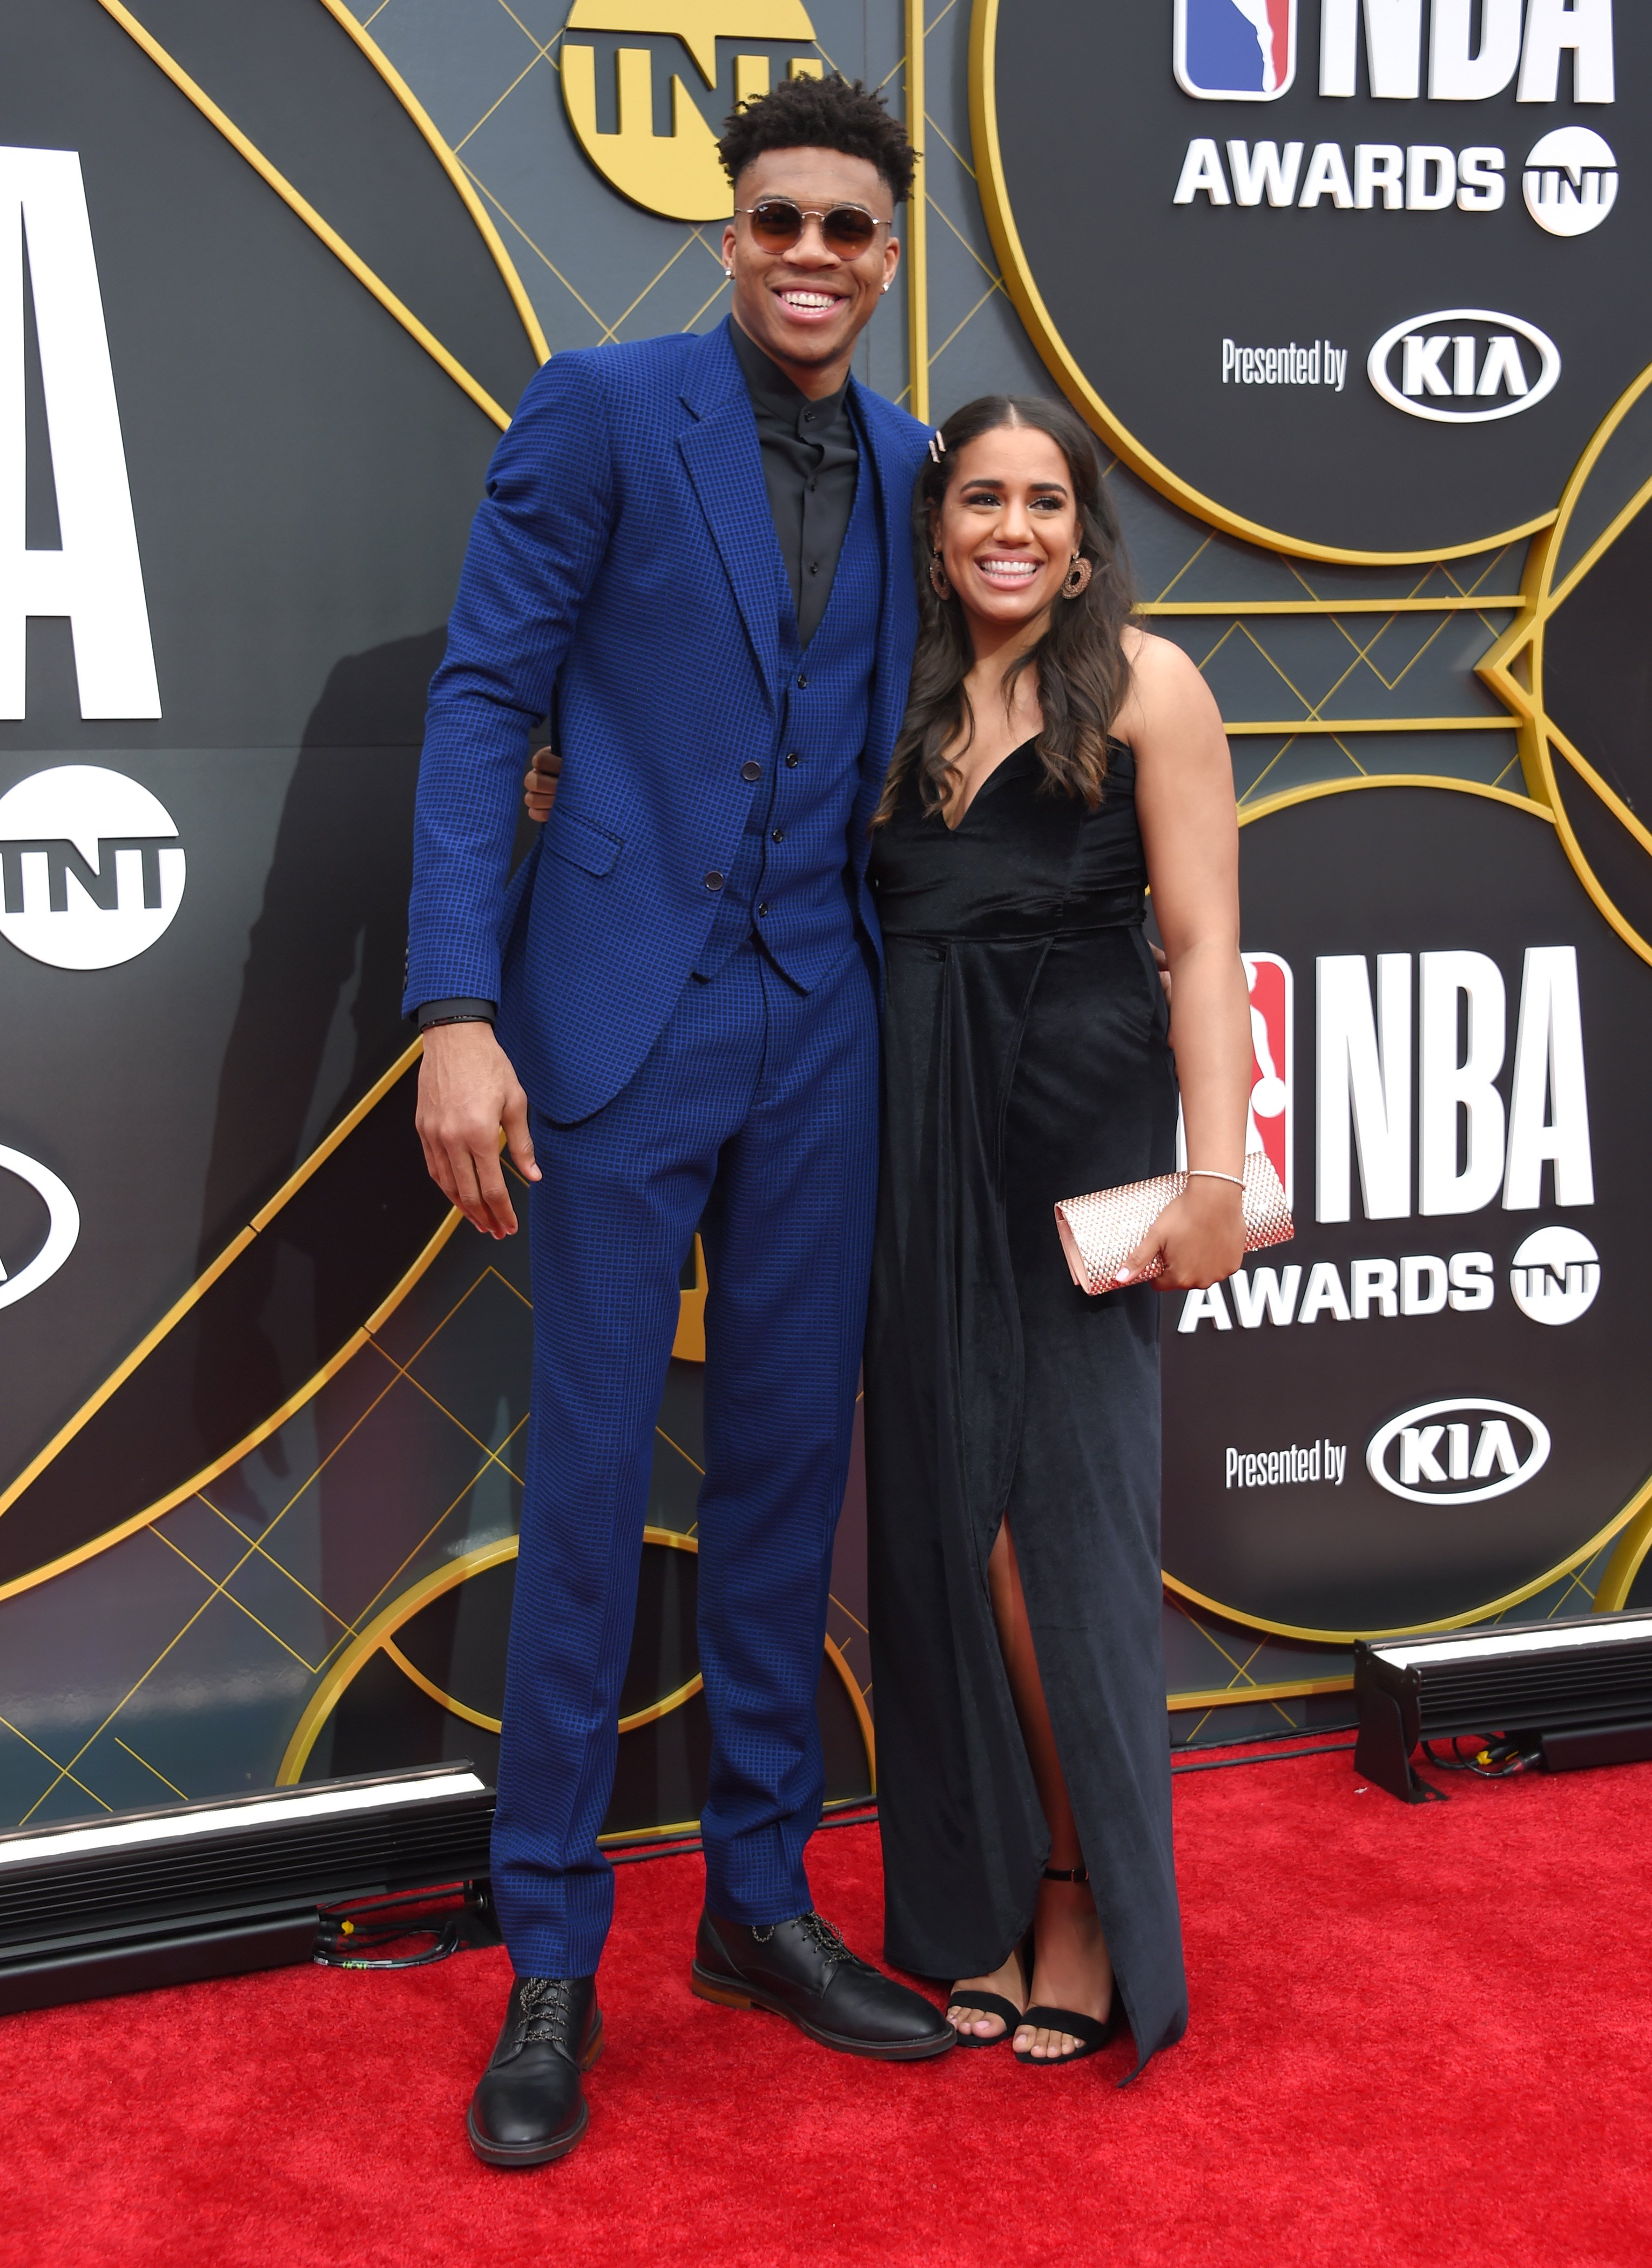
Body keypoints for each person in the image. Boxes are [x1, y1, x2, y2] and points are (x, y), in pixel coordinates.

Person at [404, 75, 953, 2171]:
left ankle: (756, 1906)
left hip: (826, 1028)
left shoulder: (918, 461)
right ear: (730, 232)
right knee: (588, 1486)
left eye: (853, 230)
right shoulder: (605, 408)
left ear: (891, 262)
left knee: (789, 1482)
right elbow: (482, 700)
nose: (816, 254)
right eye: (782, 220)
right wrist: (458, 1008)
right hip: (609, 1023)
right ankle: (551, 1953)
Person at [862, 395, 1249, 2074]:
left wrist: (1219, 1177)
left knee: (1053, 1539)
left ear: (1080, 531)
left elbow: (1203, 942)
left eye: (1040, 502)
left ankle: (1085, 1895)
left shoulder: (1147, 684)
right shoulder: (887, 694)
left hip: (1083, 1134)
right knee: (947, 1524)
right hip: (907, 1127)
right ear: (936, 526)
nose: (1007, 528)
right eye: (975, 500)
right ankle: (993, 1891)